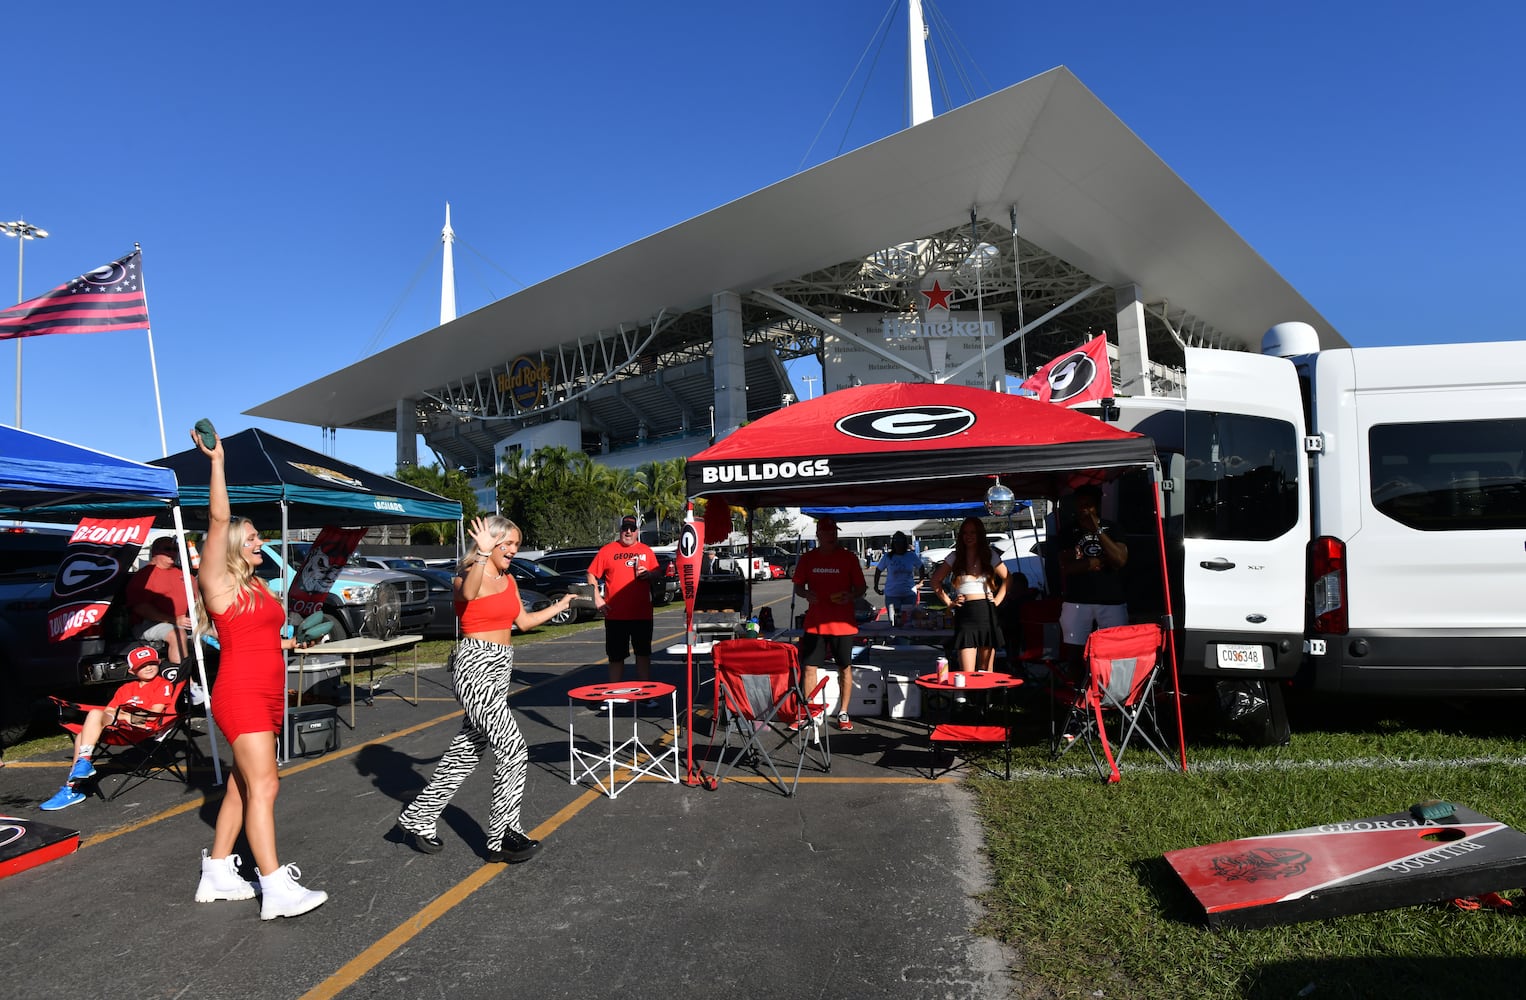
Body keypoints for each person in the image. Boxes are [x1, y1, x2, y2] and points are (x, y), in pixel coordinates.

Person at [192, 427, 328, 920]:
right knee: (266, 786)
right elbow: (219, 515)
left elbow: (264, 639)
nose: (260, 542)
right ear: (229, 546)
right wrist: (217, 463)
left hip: (268, 690)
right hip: (242, 692)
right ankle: (274, 888)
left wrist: (294, 642)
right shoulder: (218, 580)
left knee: (242, 785)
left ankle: (218, 871)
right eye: (251, 538)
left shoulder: (258, 589)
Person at [397, 516, 575, 862]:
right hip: (474, 664)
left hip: (500, 666)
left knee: (465, 752)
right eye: (506, 543)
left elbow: (522, 623)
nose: (512, 550)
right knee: (513, 748)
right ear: (488, 543)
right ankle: (503, 835)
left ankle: (418, 817)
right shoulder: (467, 574)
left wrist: (560, 605)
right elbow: (467, 593)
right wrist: (480, 554)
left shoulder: (508, 581)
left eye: (516, 544)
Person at [38, 645, 176, 811]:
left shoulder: (162, 684)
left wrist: (124, 716)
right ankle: (74, 781)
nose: (148, 668)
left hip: (141, 728)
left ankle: (74, 785)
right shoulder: (126, 689)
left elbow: (151, 716)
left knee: (88, 729)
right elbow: (110, 711)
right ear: (132, 671)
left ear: (159, 663)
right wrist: (122, 716)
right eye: (142, 666)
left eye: (152, 664)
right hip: (120, 727)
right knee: (92, 720)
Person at [792, 515, 866, 731]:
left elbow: (861, 588)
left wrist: (850, 596)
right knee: (809, 668)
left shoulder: (848, 558)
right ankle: (810, 712)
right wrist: (807, 594)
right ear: (818, 535)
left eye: (833, 532)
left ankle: (843, 712)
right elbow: (798, 587)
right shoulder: (808, 559)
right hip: (816, 622)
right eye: (826, 532)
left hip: (843, 623)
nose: (830, 535)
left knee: (845, 667)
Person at [1057, 484, 1129, 665]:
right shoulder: (1068, 532)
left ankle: (1111, 691)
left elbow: (1120, 560)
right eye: (1080, 505)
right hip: (1077, 601)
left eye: (1088, 505)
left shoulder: (1113, 529)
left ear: (1097, 505)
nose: (1084, 509)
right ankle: (1078, 690)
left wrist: (1097, 530)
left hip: (1111, 601)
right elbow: (1066, 567)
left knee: (1115, 652)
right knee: (1075, 652)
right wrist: (1096, 562)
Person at [929, 517, 1010, 672]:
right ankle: (969, 696)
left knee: (986, 670)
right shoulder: (955, 556)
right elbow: (935, 581)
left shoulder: (989, 555)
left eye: (973, 532)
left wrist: (997, 600)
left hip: (986, 612)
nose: (969, 536)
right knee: (966, 672)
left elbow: (1008, 578)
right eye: (965, 533)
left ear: (980, 534)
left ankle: (985, 696)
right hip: (965, 614)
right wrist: (949, 602)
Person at [586, 515, 657, 683]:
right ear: (620, 530)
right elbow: (591, 574)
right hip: (616, 615)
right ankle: (615, 693)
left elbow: (657, 572)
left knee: (643, 654)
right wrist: (597, 598)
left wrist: (649, 574)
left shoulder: (646, 550)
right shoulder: (607, 550)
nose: (628, 532)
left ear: (637, 531)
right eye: (625, 528)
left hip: (642, 614)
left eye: (632, 529)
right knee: (616, 657)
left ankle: (645, 695)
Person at [126, 536, 194, 665]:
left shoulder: (184, 574)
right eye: (168, 549)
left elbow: (198, 600)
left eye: (175, 549)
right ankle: (183, 681)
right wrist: (174, 619)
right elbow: (141, 608)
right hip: (149, 624)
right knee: (177, 634)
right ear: (155, 551)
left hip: (185, 621)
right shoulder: (144, 575)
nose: (173, 552)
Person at [873, 531, 923, 622]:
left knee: (909, 622)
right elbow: (878, 570)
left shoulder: (911, 555)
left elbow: (921, 566)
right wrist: (876, 586)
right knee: (893, 622)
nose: (898, 545)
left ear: (904, 543)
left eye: (900, 542)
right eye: (896, 542)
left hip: (909, 595)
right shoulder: (888, 556)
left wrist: (921, 581)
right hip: (892, 595)